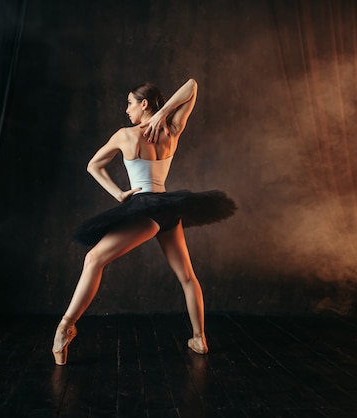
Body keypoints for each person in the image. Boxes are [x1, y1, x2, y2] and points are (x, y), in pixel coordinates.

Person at [52, 78, 236, 365]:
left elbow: (93, 165)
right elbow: (192, 86)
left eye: (130, 103)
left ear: (144, 104)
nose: (127, 110)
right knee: (187, 277)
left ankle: (65, 326)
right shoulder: (172, 129)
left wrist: (119, 195)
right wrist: (164, 115)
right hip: (168, 209)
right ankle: (199, 338)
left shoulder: (126, 135)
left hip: (145, 209)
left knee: (93, 260)